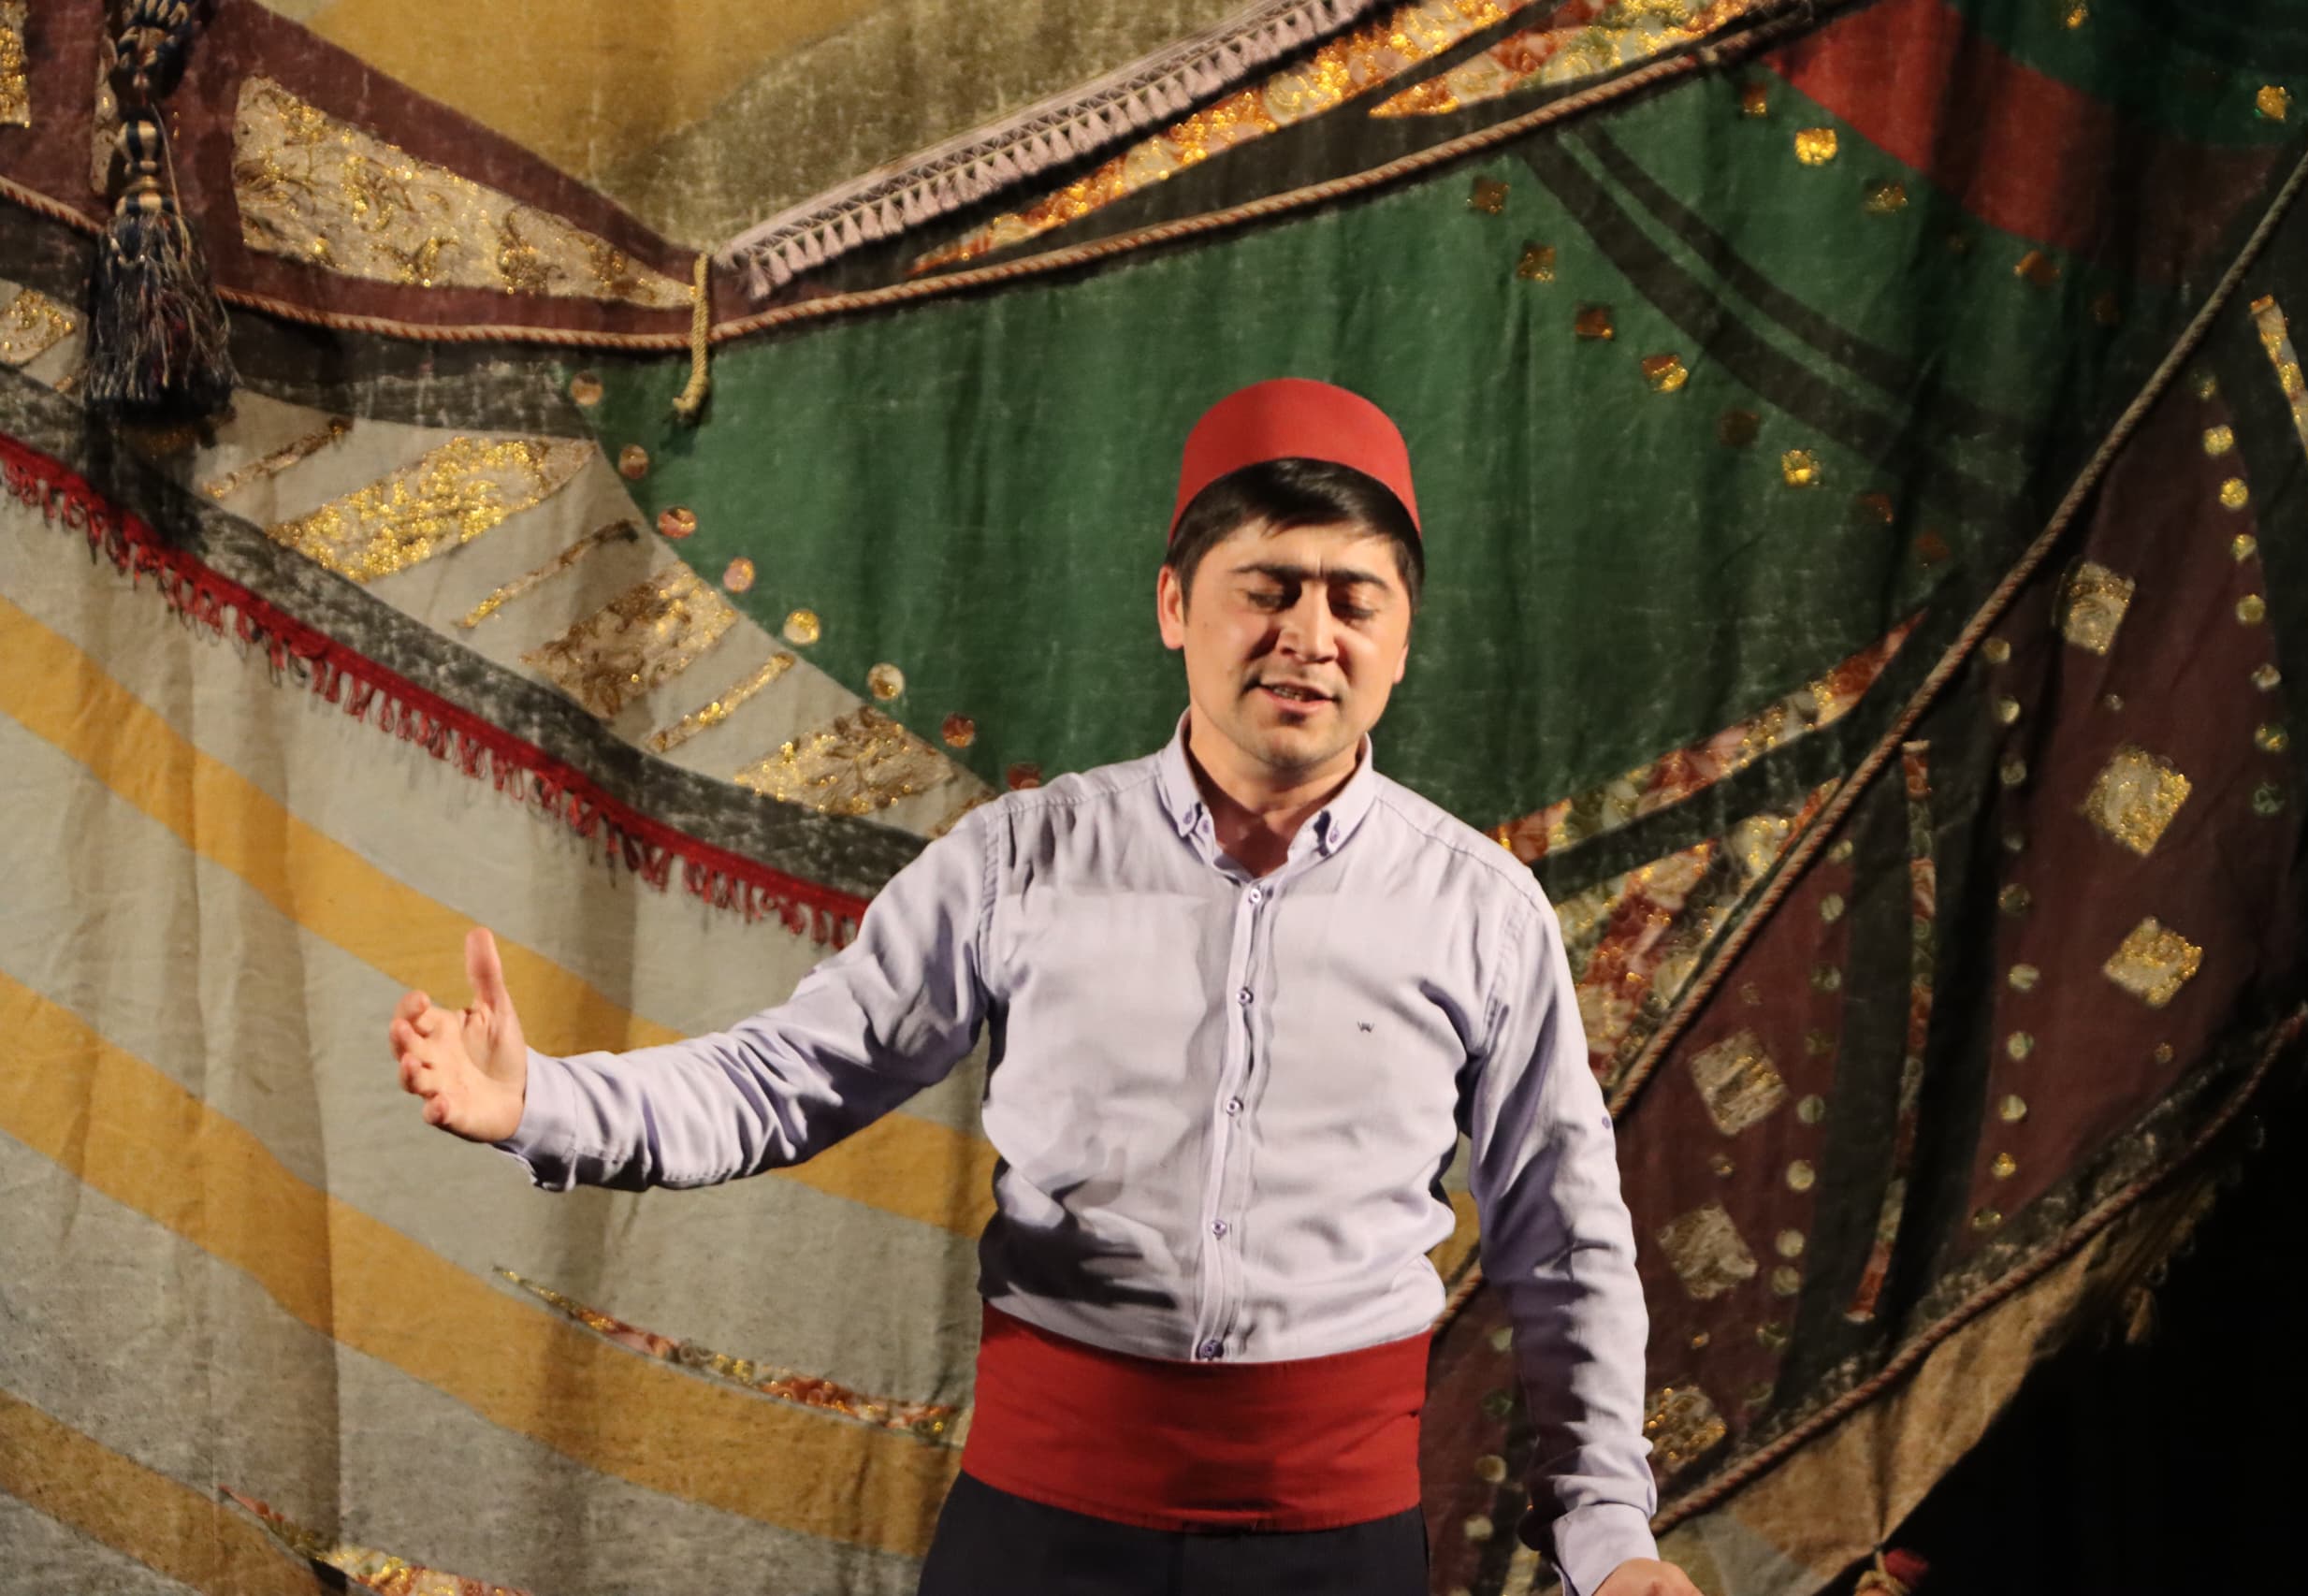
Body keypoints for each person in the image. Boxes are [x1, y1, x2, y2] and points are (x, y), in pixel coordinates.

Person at [389, 378, 1696, 1596]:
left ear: (1403, 636)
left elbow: (1563, 1238)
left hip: (1338, 1550)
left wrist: (1608, 1537)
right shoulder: (1022, 860)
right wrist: (542, 1102)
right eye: (1269, 589)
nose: (1310, 637)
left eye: (1355, 600)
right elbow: (786, 1079)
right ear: (1175, 604)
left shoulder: (1482, 912)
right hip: (1038, 1535)